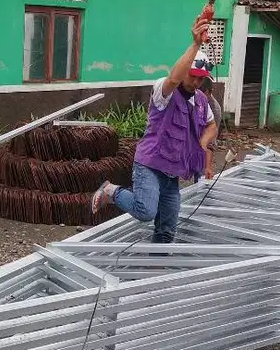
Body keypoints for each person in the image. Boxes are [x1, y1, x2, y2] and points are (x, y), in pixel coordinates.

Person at [91, 14, 219, 243]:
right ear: (184, 70)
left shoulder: (201, 101)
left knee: (167, 229)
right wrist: (195, 44)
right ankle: (110, 190)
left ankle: (157, 262)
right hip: (150, 165)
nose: (196, 82)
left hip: (172, 173)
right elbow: (173, 79)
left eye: (201, 79)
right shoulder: (164, 91)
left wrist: (202, 144)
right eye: (193, 76)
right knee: (145, 211)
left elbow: (212, 125)